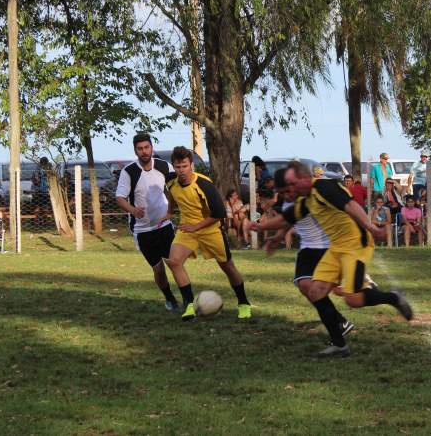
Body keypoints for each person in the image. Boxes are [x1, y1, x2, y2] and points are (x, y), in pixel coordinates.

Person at [252, 160, 412, 357]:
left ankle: (394, 297)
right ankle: (339, 344)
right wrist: (262, 228)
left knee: (353, 300)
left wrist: (370, 227)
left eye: (292, 186)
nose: (290, 191)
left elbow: (351, 206)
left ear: (303, 179)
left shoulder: (324, 187)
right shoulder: (306, 200)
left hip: (355, 244)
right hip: (336, 247)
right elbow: (286, 219)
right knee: (315, 291)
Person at [256, 168, 355, 342]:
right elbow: (289, 220)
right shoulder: (287, 199)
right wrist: (278, 236)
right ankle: (339, 323)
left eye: (285, 191)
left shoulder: (308, 197)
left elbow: (287, 217)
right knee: (305, 286)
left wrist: (259, 226)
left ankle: (339, 330)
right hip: (307, 248)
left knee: (321, 290)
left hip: (326, 247)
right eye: (280, 192)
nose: (283, 196)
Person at [161, 146, 251, 320]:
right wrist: (169, 212)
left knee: (227, 266)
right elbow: (172, 194)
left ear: (191, 165)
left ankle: (244, 303)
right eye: (178, 167)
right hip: (187, 228)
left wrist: (196, 227)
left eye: (185, 166)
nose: (181, 170)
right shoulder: (171, 181)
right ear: (174, 167)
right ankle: (188, 305)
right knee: (174, 261)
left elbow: (219, 214)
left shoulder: (203, 184)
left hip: (210, 229)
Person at [116, 134, 181, 312]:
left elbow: (176, 189)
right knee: (158, 269)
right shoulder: (129, 171)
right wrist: (133, 210)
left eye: (147, 147)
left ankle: (188, 299)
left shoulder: (163, 166)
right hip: (142, 229)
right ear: (135, 150)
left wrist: (170, 211)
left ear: (152, 147)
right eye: (140, 148)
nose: (144, 151)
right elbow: (120, 198)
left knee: (174, 262)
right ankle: (169, 298)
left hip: (164, 225)